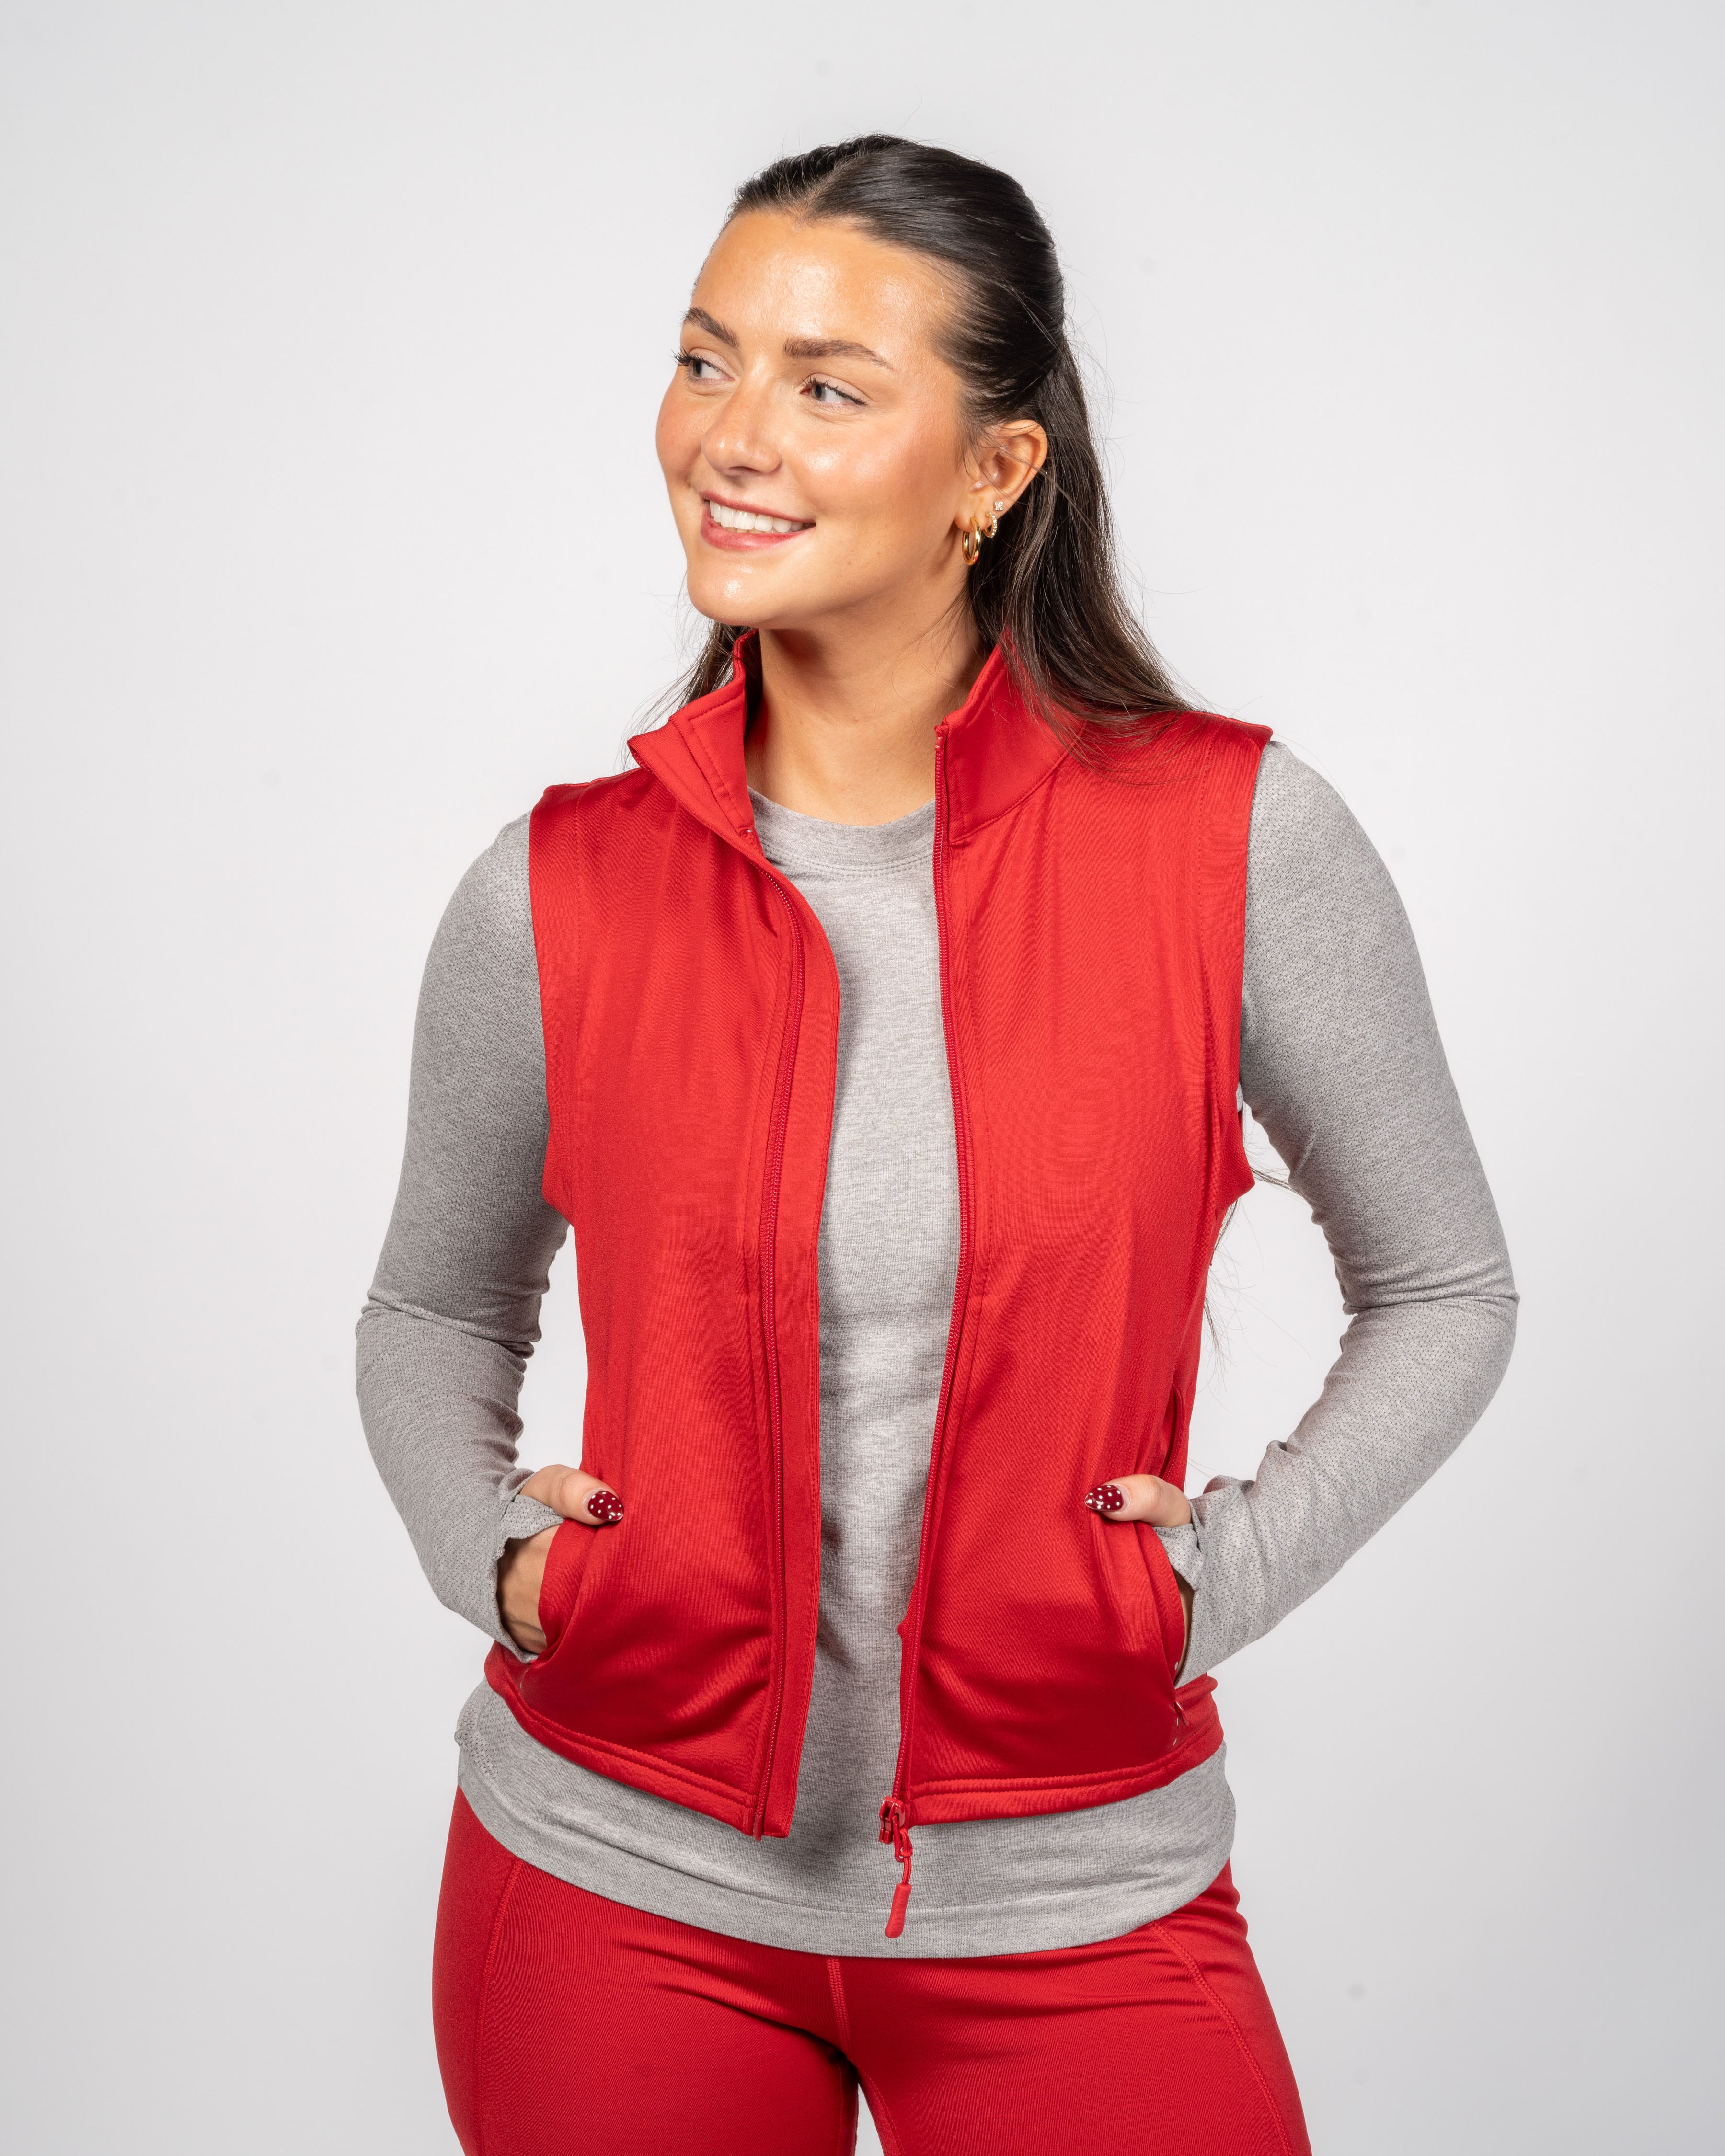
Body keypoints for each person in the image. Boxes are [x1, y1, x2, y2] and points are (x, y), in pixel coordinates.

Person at [358, 135, 1516, 2156]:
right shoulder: (555, 889)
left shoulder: (1237, 842)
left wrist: (1208, 1589)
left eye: (827, 386)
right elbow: (431, 1310)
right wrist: (501, 1564)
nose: (733, 436)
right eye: (707, 359)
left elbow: (1447, 1289)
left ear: (996, 470)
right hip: (609, 1886)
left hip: (1080, 1895)